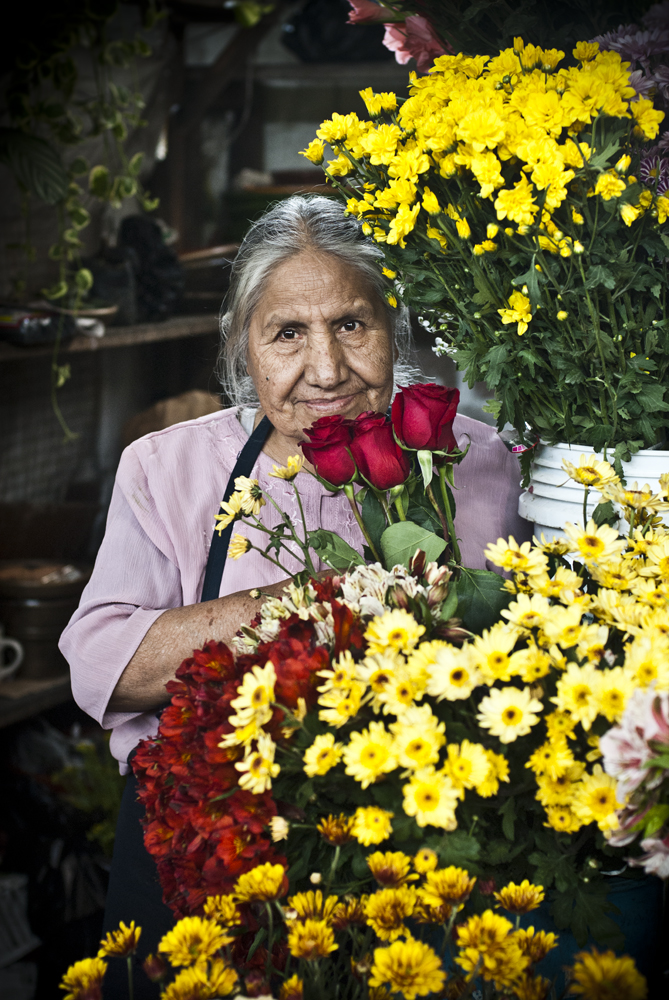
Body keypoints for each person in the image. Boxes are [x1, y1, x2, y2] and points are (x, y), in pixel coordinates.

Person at [60, 195, 531, 995]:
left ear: (395, 328)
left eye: (351, 324)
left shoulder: (483, 459)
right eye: (286, 334)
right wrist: (317, 604)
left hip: (432, 872)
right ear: (244, 348)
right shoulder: (168, 470)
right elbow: (103, 667)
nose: (325, 369)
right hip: (217, 866)